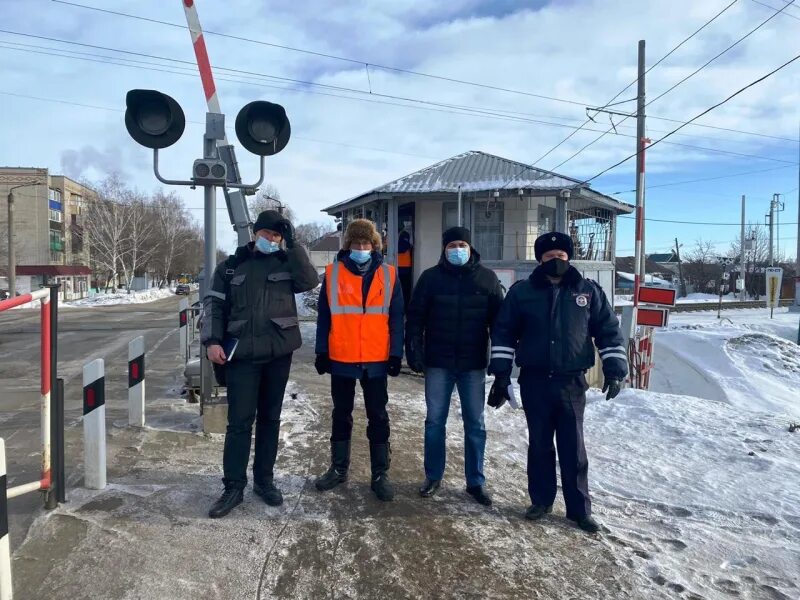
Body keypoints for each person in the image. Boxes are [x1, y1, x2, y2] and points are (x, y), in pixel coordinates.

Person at [488, 231, 627, 533]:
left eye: (561, 256)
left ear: (569, 257)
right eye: (550, 257)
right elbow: (503, 332)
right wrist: (500, 373)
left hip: (571, 382)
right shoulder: (522, 292)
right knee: (539, 445)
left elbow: (608, 331)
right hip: (535, 381)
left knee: (573, 447)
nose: (556, 261)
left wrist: (615, 368)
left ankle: (579, 510)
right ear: (540, 260)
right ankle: (541, 500)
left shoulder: (587, 291)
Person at [202, 210, 319, 518]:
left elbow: (309, 281)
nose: (272, 240)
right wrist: (212, 341)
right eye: (268, 235)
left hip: (278, 353)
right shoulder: (230, 267)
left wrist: (293, 246)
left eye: (278, 237)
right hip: (241, 355)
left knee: (270, 419)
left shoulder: (286, 262)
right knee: (239, 422)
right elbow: (213, 305)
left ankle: (264, 481)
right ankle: (233, 487)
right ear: (256, 233)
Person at [405, 227, 504, 505]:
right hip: (438, 363)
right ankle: (433, 476)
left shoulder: (487, 278)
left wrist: (500, 366)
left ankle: (475, 481)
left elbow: (500, 325)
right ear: (444, 249)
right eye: (452, 245)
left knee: (475, 423)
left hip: (473, 365)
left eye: (462, 244)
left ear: (470, 247)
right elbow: (415, 318)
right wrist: (413, 349)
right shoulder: (430, 279)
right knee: (435, 421)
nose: (457, 249)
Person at [314, 219, 404, 501]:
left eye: (366, 243)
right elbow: (324, 317)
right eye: (356, 243)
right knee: (341, 414)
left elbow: (397, 319)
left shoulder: (389, 275)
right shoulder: (332, 274)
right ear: (349, 245)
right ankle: (338, 469)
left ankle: (380, 474)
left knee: (378, 415)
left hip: (376, 359)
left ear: (374, 245)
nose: (362, 247)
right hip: (342, 357)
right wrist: (321, 351)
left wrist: (396, 354)